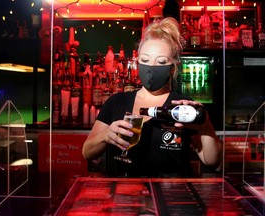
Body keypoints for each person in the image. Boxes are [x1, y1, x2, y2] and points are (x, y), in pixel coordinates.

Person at [82, 17, 222, 177]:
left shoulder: (183, 108)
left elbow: (212, 161)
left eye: (161, 62)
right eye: (145, 60)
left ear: (172, 68)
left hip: (171, 197)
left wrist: (205, 127)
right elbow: (87, 152)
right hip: (125, 197)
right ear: (137, 62)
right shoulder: (117, 102)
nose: (151, 68)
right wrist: (105, 136)